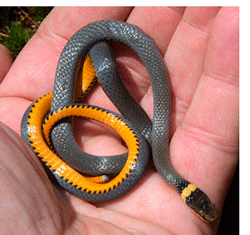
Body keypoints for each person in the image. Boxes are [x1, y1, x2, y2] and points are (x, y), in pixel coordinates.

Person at [0, 7, 238, 234]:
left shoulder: (160, 164)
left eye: (201, 211)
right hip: (79, 80)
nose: (204, 212)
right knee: (105, 68)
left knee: (106, 72)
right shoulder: (160, 163)